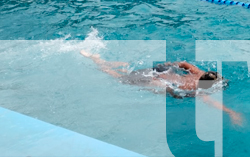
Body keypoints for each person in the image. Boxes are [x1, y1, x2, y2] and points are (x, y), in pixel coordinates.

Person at [79, 51, 241, 123]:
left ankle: (111, 62)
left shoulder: (199, 73)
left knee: (130, 72)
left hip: (161, 71)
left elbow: (184, 63)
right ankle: (97, 61)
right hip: (158, 79)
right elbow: (210, 102)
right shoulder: (197, 89)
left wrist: (168, 65)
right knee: (120, 79)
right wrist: (231, 112)